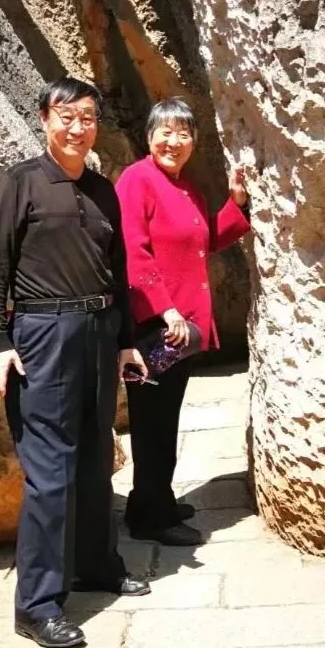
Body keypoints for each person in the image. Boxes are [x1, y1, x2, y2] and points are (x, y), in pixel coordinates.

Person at [0, 76, 151, 648]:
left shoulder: (103, 191)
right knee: (50, 472)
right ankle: (37, 606)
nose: (78, 128)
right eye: (67, 117)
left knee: (95, 455)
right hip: (42, 334)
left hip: (99, 332)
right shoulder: (21, 182)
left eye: (88, 118)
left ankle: (96, 565)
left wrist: (125, 340)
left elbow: (117, 270)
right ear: (45, 120)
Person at [115, 97, 250, 546]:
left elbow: (203, 241)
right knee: (151, 422)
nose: (174, 142)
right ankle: (153, 518)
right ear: (149, 136)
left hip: (182, 329)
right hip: (154, 327)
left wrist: (236, 203)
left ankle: (151, 502)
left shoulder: (187, 188)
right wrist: (166, 308)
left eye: (184, 133)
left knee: (165, 417)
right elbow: (132, 252)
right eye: (166, 132)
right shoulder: (137, 180)